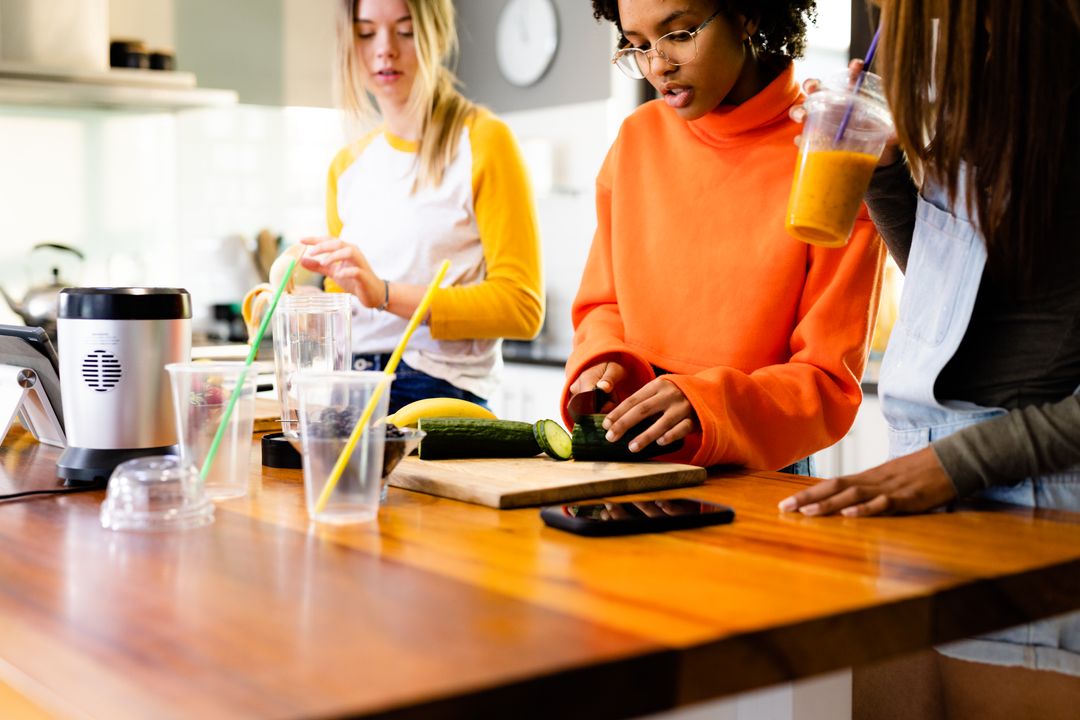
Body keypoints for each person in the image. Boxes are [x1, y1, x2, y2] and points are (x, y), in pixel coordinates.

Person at [779, 0, 1080, 517]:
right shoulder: (980, 86)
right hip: (931, 463)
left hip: (1035, 488)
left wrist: (956, 463)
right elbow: (942, 290)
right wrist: (882, 170)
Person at [565, 0, 885, 473]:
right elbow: (603, 306)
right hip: (632, 453)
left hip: (759, 465)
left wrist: (709, 404)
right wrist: (601, 359)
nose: (658, 65)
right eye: (638, 46)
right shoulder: (636, 139)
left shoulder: (828, 157)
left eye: (680, 34)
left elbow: (826, 381)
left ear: (747, 13)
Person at [297, 0, 544, 413]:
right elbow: (345, 297)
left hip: (434, 389)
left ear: (436, 35)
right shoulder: (347, 165)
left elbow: (521, 308)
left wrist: (385, 294)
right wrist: (289, 301)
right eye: (365, 32)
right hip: (349, 384)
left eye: (405, 30)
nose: (384, 49)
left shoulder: (483, 141)